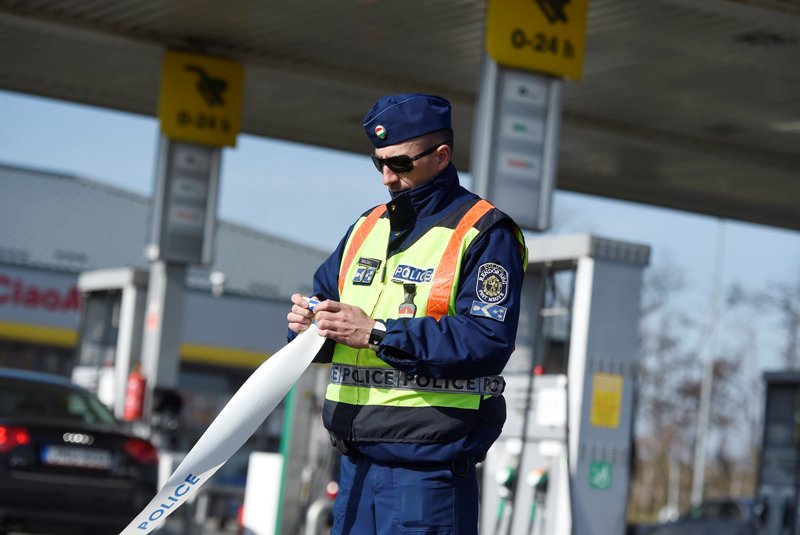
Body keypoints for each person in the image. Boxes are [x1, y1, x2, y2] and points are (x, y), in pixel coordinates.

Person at [287, 93, 527, 535]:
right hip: (356, 468)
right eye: (377, 163)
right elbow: (327, 311)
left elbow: (485, 340)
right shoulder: (365, 227)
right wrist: (309, 328)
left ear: (441, 157)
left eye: (398, 164)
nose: (386, 178)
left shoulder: (486, 233)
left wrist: (377, 332)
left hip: (428, 476)